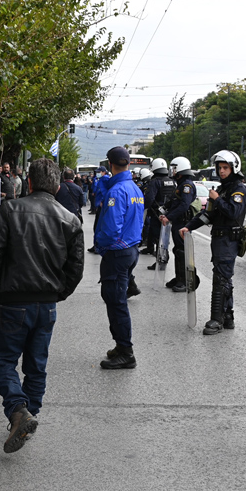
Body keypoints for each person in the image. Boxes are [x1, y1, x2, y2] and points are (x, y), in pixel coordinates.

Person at [0, 158, 84, 453]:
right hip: (47, 304)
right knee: (37, 365)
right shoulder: (70, 219)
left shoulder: (10, 210)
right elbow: (75, 269)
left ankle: (18, 411)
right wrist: (58, 293)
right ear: (58, 186)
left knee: (4, 362)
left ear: (28, 182)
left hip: (13, 301)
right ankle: (28, 415)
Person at [180, 151, 246, 334]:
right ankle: (228, 317)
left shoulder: (238, 190)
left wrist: (217, 200)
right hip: (219, 240)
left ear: (234, 168)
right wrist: (189, 226)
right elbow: (207, 215)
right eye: (220, 168)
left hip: (229, 240)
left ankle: (216, 320)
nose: (222, 171)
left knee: (221, 279)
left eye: (225, 167)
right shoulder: (222, 189)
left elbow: (233, 213)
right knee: (224, 278)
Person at [94, 147, 144, 369]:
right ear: (128, 164)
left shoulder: (116, 192)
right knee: (116, 299)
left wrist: (99, 244)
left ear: (110, 164)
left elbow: (111, 230)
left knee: (116, 302)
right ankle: (121, 345)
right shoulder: (134, 188)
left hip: (117, 252)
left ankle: (126, 350)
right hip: (131, 249)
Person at [159, 157, 197, 292]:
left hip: (183, 222)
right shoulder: (180, 184)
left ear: (180, 169)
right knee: (177, 250)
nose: (172, 171)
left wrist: (169, 217)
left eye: (174, 168)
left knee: (182, 251)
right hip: (177, 222)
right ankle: (179, 277)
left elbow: (184, 206)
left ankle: (186, 281)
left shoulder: (187, 186)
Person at [144, 158, 176, 263]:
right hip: (169, 214)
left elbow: (149, 199)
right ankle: (164, 257)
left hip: (156, 213)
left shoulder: (155, 181)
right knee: (165, 237)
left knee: (158, 237)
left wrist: (144, 209)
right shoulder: (172, 181)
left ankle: (161, 260)